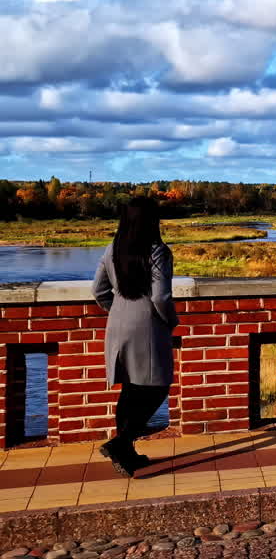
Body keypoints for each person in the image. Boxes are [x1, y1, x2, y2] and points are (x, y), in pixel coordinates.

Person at [92, 196, 179, 477]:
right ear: (152, 220)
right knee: (157, 386)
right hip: (148, 325)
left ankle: (126, 453)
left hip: (117, 323)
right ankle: (120, 444)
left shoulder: (112, 249)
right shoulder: (158, 251)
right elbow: (161, 297)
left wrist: (117, 310)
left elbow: (98, 291)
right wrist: (170, 321)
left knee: (130, 388)